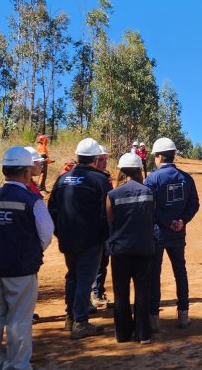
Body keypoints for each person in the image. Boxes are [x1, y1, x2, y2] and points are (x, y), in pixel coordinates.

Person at [0, 146, 53, 370]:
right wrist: (33, 251)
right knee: (19, 319)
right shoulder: (32, 201)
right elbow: (46, 233)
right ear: (26, 173)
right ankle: (17, 365)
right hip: (20, 269)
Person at [47, 137, 112, 339]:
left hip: (67, 238)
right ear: (94, 159)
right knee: (85, 277)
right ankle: (81, 322)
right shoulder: (100, 180)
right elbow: (108, 210)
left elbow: (52, 209)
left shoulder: (62, 179)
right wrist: (107, 235)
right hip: (91, 239)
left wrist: (60, 232)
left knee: (72, 275)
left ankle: (70, 318)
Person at [146, 137, 200, 331]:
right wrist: (181, 221)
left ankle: (154, 319)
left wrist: (167, 221)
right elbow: (194, 204)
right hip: (178, 234)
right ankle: (183, 315)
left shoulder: (152, 179)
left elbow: (149, 206)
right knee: (180, 272)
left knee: (155, 274)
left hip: (158, 233)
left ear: (160, 156)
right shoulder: (186, 178)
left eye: (155, 156)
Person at [106, 153, 156, 344]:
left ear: (120, 171)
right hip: (144, 248)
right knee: (143, 291)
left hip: (120, 249)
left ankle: (123, 334)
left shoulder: (112, 194)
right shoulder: (149, 192)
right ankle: (143, 334)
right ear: (139, 170)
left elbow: (110, 221)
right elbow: (152, 217)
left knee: (121, 292)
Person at [91, 146, 115, 310]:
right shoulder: (90, 179)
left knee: (102, 263)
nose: (105, 163)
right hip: (91, 230)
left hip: (104, 230)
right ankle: (92, 296)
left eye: (106, 159)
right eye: (101, 160)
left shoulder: (106, 179)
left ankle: (97, 293)